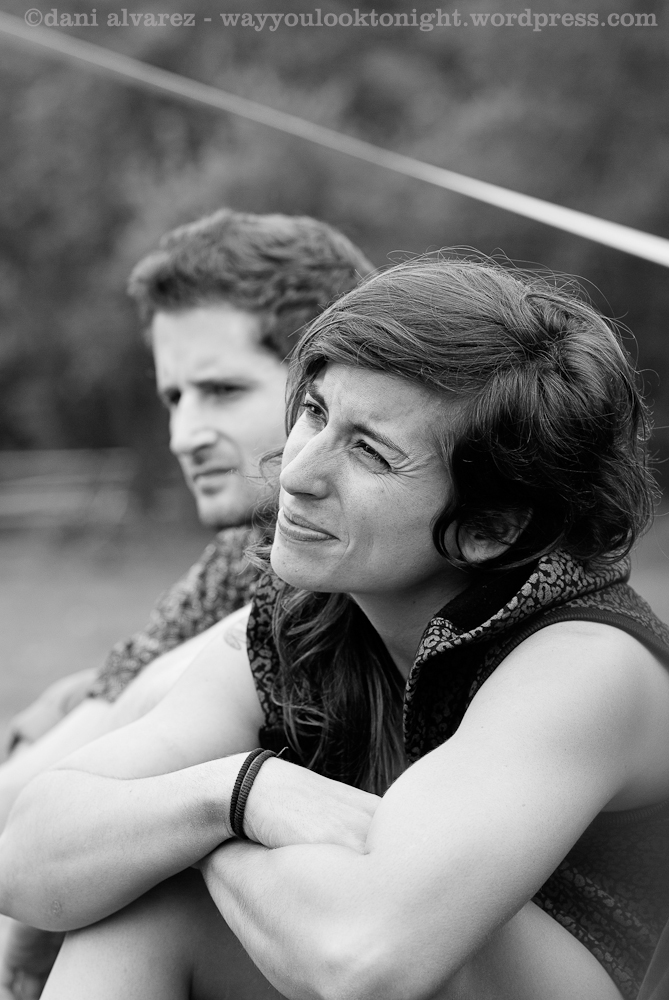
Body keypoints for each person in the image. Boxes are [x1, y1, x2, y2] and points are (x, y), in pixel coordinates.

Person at [1, 254, 668, 1000]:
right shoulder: (302, 619)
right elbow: (24, 858)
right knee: (138, 902)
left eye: (369, 452)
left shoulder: (584, 663)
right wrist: (239, 793)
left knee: (155, 888)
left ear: (491, 527)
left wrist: (189, 836)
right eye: (315, 413)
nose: (294, 473)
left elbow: (361, 958)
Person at [0, 208, 372, 999]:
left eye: (221, 390)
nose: (183, 433)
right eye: (174, 397)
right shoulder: (235, 556)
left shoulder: (334, 567)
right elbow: (103, 709)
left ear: (328, 387)